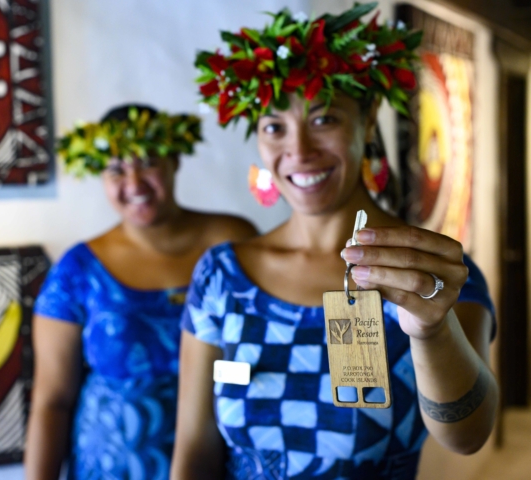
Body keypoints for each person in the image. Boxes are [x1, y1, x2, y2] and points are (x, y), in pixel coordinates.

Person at [172, 5, 497, 479]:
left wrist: (430, 330)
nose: (299, 151)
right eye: (274, 127)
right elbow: (194, 448)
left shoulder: (427, 272)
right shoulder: (222, 276)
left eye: (324, 119)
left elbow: (468, 436)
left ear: (368, 122)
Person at [25, 104, 257, 480]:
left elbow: (268, 349)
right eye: (116, 169)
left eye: (148, 162)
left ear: (174, 161)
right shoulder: (78, 271)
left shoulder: (231, 241)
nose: (133, 184)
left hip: (224, 460)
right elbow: (52, 402)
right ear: (98, 174)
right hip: (111, 468)